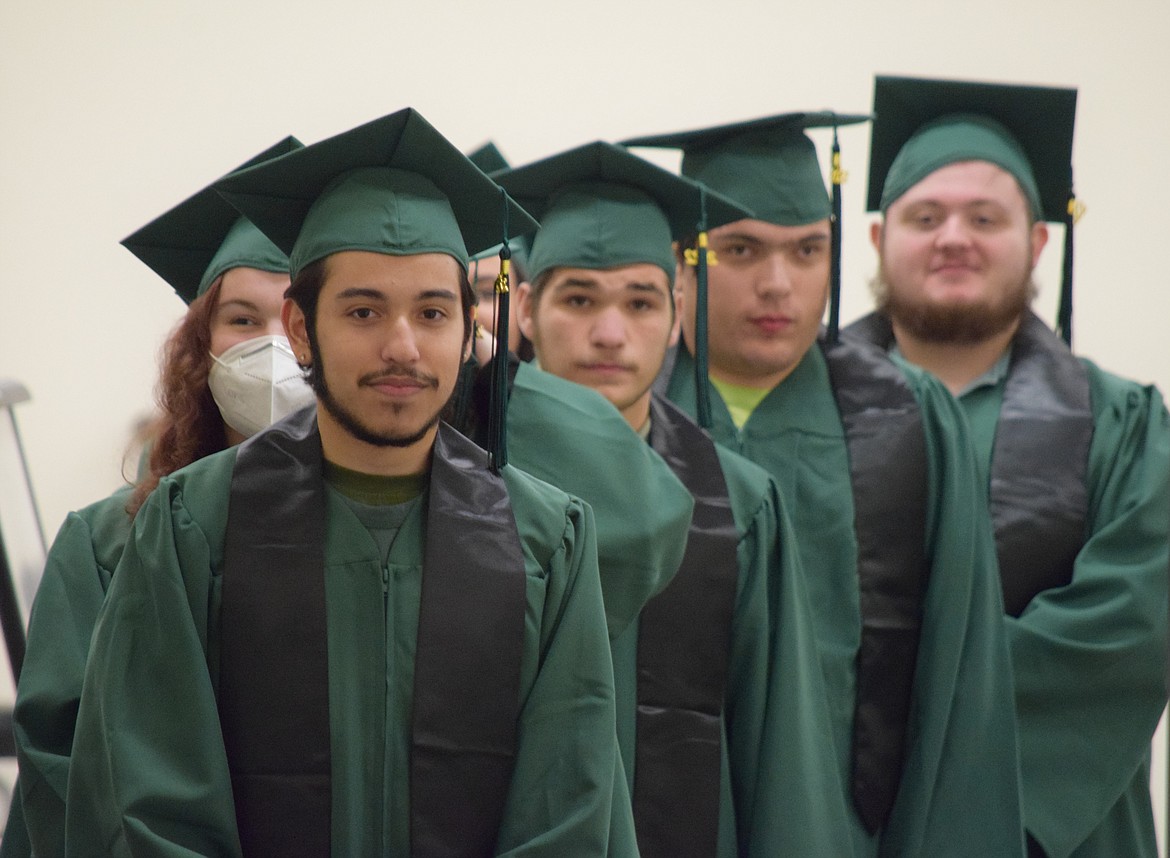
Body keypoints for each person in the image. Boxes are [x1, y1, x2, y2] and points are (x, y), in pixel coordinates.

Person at [63, 109, 629, 857]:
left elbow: (569, 810)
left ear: (470, 333)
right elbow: (149, 805)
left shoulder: (546, 540)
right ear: (300, 329)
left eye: (432, 312)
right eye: (363, 310)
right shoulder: (192, 525)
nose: (402, 346)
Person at [624, 112, 1025, 856]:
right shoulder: (624, 420)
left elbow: (962, 689)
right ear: (682, 260)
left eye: (807, 250)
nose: (778, 283)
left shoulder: (910, 418)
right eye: (741, 249)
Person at [495, 139, 851, 856]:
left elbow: (780, 756)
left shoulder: (739, 506)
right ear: (526, 309)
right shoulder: (465, 482)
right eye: (579, 299)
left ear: (680, 304)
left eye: (640, 300)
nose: (610, 333)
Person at [848, 75, 1170, 858]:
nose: (953, 236)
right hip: (838, 816)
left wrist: (898, 711)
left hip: (1054, 831)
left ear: (1036, 242)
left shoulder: (1124, 425)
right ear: (877, 239)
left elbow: (1130, 629)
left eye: (984, 218)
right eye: (925, 217)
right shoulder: (806, 414)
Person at [6, 137, 312, 858]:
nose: (269, 347)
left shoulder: (386, 532)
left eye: (292, 320)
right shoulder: (106, 541)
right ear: (199, 346)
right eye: (241, 319)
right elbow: (62, 757)